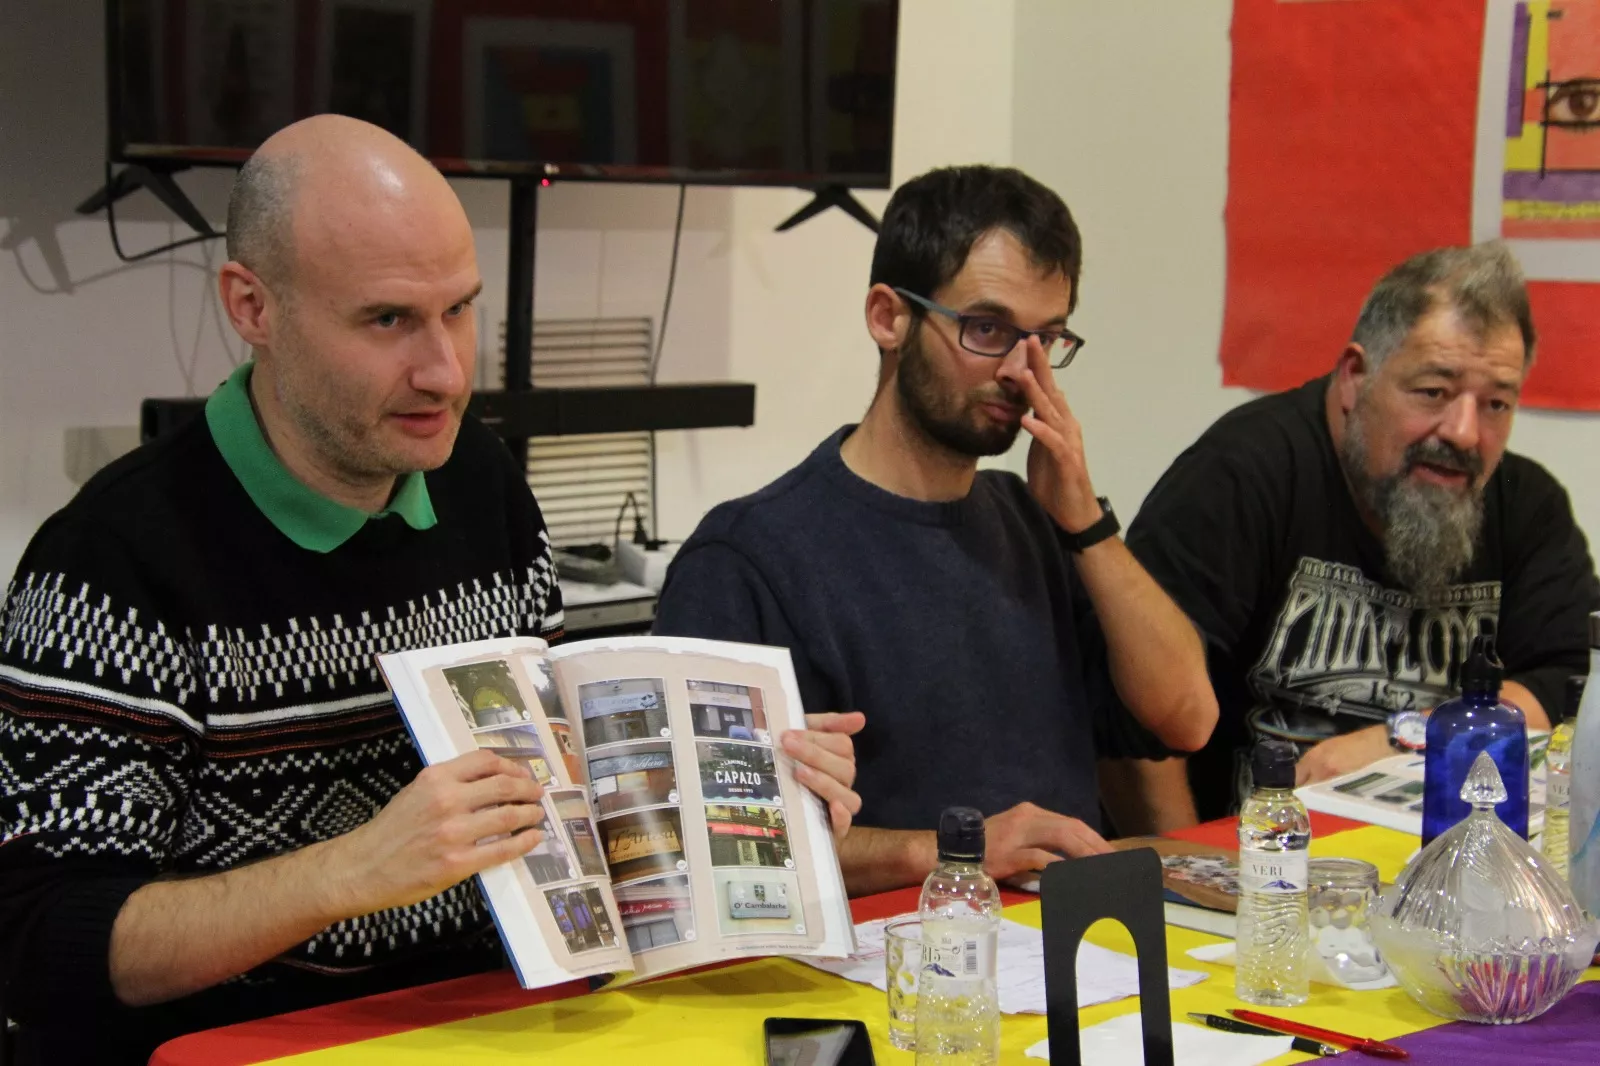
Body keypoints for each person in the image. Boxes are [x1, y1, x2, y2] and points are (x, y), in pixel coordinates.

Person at [0, 116, 861, 1066]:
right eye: (387, 320)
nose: (446, 372)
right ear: (253, 307)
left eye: (459, 309)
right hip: (239, 1047)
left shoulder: (481, 487)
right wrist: (352, 871)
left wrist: (743, 798)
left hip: (489, 1021)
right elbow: (42, 947)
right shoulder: (111, 566)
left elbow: (556, 805)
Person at [652, 165, 1217, 896]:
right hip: (889, 964)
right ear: (889, 317)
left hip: (1073, 942)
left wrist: (1086, 523)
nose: (1023, 370)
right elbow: (713, 845)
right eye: (988, 329)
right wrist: (955, 851)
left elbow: (1188, 719)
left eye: (1047, 338)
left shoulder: (1033, 521)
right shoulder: (750, 557)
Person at [1115, 242, 1600, 824]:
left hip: (1436, 871)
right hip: (1256, 866)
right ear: (1354, 377)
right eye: (1434, 392)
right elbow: (1133, 711)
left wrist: (1410, 740)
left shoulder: (1526, 505)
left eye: (1496, 403)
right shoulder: (1242, 476)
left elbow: (1574, 678)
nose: (1466, 433)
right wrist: (1184, 870)